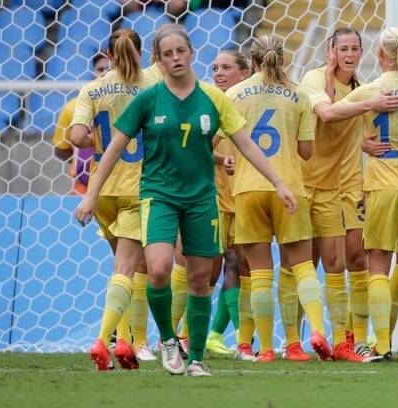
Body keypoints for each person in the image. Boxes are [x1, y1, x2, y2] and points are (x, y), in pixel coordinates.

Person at [74, 25, 298, 377]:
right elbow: (113, 149)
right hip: (158, 196)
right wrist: (90, 196)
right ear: (158, 61)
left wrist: (280, 182)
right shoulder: (148, 100)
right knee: (159, 269)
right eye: (168, 54)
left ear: (192, 53)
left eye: (181, 51)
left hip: (200, 200)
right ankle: (166, 340)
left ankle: (194, 359)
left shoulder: (213, 98)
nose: (176, 58)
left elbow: (246, 144)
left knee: (198, 279)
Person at [300, 27, 398, 361]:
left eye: (355, 48)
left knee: (351, 259)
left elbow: (349, 127)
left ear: (362, 53)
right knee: (304, 263)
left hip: (349, 185)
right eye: (343, 48)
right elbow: (327, 114)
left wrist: (365, 144)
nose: (349, 54)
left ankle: (352, 339)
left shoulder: (360, 88)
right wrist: (369, 104)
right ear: (330, 50)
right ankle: (292, 341)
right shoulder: (314, 79)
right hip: (309, 183)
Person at [226, 35, 333, 363]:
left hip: (247, 188)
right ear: (282, 60)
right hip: (288, 187)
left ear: (253, 61)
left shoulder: (234, 94)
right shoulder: (299, 94)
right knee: (301, 267)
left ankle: (267, 350)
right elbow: (306, 151)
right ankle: (312, 333)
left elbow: (215, 139)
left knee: (258, 273)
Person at [340, 27, 398, 362]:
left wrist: (361, 142)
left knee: (377, 267)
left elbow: (328, 115)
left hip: (382, 187)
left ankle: (383, 345)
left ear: (379, 55)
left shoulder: (371, 90)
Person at [70, 29, 150, 371]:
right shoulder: (152, 89)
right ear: (141, 52)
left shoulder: (92, 88)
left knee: (121, 266)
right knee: (128, 269)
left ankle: (125, 342)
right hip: (139, 186)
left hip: (102, 189)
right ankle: (106, 341)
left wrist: (94, 134)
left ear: (109, 53)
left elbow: (76, 138)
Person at [205, 50, 250, 356]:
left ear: (244, 73)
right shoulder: (209, 106)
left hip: (244, 195)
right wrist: (222, 159)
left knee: (237, 265)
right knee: (215, 267)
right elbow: (196, 149)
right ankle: (243, 343)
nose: (218, 73)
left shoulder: (249, 102)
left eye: (226, 68)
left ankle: (218, 336)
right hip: (214, 199)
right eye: (215, 68)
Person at [53, 52, 109, 195]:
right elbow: (60, 148)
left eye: (109, 69)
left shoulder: (128, 105)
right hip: (82, 188)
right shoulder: (73, 107)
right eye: (100, 69)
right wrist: (81, 158)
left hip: (118, 186)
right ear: (93, 73)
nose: (104, 73)